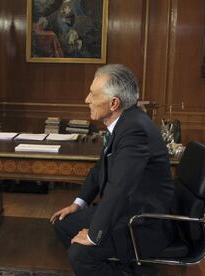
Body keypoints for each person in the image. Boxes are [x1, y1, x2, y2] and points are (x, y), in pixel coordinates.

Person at [50, 64, 174, 275]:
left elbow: (120, 187)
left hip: (143, 221)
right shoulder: (125, 123)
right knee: (63, 223)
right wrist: (78, 204)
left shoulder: (134, 130)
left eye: (92, 94)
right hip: (127, 209)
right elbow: (101, 168)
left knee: (80, 254)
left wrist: (93, 235)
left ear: (113, 103)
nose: (86, 99)